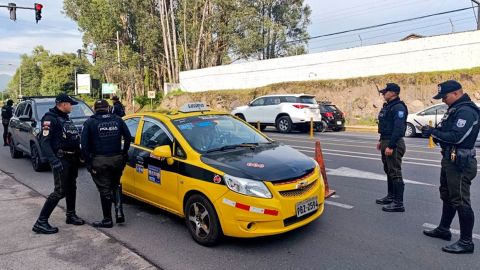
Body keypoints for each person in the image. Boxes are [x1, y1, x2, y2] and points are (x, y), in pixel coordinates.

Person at [420, 80, 479, 254]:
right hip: (449, 160)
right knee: (447, 196)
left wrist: (433, 133)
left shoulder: (467, 111)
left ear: (456, 94)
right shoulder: (454, 109)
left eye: (445, 97)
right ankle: (444, 229)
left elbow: (456, 137)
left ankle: (466, 242)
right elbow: (446, 133)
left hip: (460, 163)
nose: (443, 100)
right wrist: (432, 133)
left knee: (460, 201)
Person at [32, 94, 85, 234]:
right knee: (60, 191)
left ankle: (71, 215)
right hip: (60, 159)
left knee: (71, 187)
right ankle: (41, 222)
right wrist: (53, 160)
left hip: (71, 158)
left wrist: (80, 155)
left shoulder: (65, 118)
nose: (72, 106)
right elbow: (44, 142)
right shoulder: (50, 119)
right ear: (62, 104)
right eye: (70, 104)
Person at [81, 99, 131, 228]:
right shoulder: (118, 120)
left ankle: (107, 220)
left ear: (94, 109)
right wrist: (124, 153)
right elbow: (128, 137)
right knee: (116, 184)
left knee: (104, 190)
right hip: (117, 158)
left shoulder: (90, 122)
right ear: (108, 108)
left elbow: (85, 146)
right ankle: (119, 212)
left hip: (99, 160)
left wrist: (88, 163)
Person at [376, 83, 408, 212]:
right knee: (389, 170)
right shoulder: (389, 106)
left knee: (395, 172)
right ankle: (391, 196)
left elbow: (398, 128)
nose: (383, 94)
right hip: (386, 140)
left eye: (386, 92)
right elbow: (385, 125)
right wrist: (381, 140)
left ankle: (398, 203)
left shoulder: (399, 107)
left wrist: (391, 145)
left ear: (393, 93)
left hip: (393, 143)